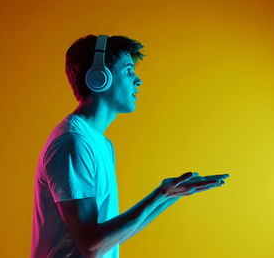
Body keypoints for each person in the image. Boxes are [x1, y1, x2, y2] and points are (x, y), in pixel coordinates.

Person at [31, 34, 230, 258]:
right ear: (99, 78)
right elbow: (91, 245)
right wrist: (160, 194)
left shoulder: (102, 144)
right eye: (128, 70)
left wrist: (169, 195)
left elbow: (107, 239)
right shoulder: (73, 143)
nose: (138, 80)